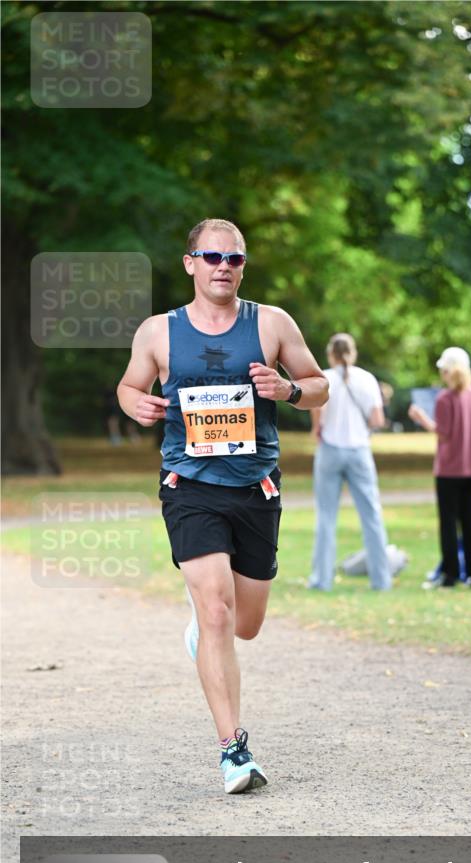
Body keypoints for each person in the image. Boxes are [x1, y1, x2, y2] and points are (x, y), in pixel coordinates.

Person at [117, 218, 328, 793]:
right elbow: (129, 386)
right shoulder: (159, 332)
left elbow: (319, 385)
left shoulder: (273, 324)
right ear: (191, 263)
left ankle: (208, 627)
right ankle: (234, 752)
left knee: (246, 625)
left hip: (255, 487)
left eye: (234, 258)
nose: (223, 267)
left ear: (243, 266)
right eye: (212, 257)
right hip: (189, 485)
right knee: (216, 611)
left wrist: (287, 390)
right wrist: (138, 404)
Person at [308, 333, 392, 591]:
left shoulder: (324, 378)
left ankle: (322, 580)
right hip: (359, 451)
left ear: (330, 354)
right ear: (353, 353)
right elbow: (377, 420)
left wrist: (317, 429)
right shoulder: (367, 379)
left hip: (330, 450)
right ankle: (381, 580)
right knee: (371, 515)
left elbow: (318, 415)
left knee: (326, 516)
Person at [408, 347, 471, 587]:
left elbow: (443, 434)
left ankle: (450, 574)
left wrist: (421, 418)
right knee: (469, 521)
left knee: (449, 522)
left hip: (449, 469)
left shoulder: (445, 398)